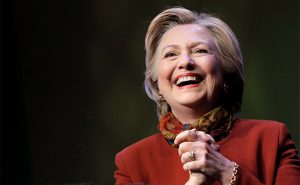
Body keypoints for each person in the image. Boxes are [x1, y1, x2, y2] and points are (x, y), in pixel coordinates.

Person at [114, 6, 300, 185]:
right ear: (157, 84)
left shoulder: (271, 139)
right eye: (171, 54)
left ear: (226, 72)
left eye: (200, 50)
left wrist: (226, 171)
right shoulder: (131, 162)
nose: (185, 62)